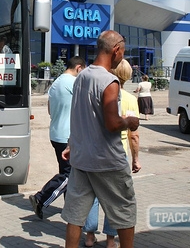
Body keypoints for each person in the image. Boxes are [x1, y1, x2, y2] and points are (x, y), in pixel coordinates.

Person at [61, 30, 139, 248]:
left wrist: (71, 144)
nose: (123, 56)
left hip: (81, 159)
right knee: (124, 212)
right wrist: (129, 122)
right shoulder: (109, 81)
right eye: (122, 51)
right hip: (107, 162)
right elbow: (113, 123)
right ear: (115, 50)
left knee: (75, 215)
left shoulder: (82, 76)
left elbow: (78, 115)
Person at [28, 56, 98, 246]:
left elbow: (50, 110)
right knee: (69, 174)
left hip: (56, 133)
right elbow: (86, 108)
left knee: (68, 174)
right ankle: (41, 199)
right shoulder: (74, 83)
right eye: (83, 70)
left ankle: (71, 211)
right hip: (69, 137)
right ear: (78, 68)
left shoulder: (57, 82)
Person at [100, 59, 141, 248]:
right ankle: (110, 239)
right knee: (116, 198)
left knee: (94, 195)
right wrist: (136, 159)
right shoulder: (131, 99)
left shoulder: (104, 93)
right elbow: (134, 135)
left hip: (99, 150)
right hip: (119, 152)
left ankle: (90, 234)